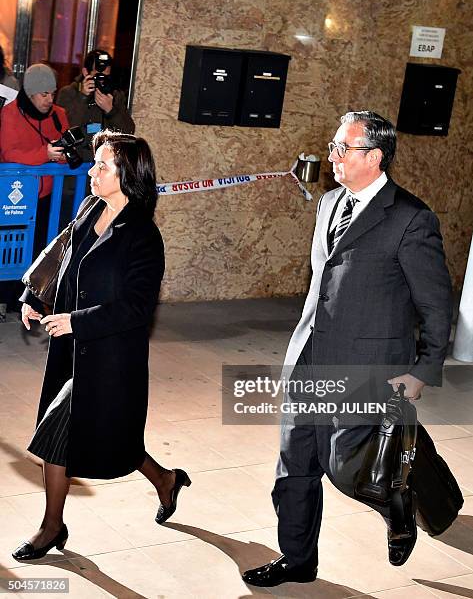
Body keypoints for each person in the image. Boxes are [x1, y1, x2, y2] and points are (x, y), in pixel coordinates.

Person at [242, 111, 453, 587]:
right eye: (334, 145)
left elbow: (435, 303)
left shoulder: (410, 218)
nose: (332, 155)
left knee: (344, 466)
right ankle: (298, 560)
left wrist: (423, 369)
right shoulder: (330, 202)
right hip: (311, 356)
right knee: (295, 464)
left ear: (374, 157)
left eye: (343, 147)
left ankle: (398, 502)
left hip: (369, 364)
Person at [12, 131, 190, 561]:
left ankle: (52, 527)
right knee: (107, 439)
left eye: (102, 166)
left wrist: (75, 321)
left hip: (110, 356)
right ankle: (164, 479)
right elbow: (61, 258)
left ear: (127, 175)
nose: (92, 172)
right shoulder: (90, 209)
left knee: (60, 435)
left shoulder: (143, 236)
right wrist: (36, 296)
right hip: (71, 351)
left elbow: (135, 307)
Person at [0, 64, 69, 311]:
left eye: (53, 93)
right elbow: (9, 153)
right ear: (30, 94)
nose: (50, 100)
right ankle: (7, 300)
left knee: (41, 249)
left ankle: (32, 302)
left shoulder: (59, 114)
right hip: (16, 197)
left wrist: (62, 156)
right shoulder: (9, 114)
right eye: (44, 94)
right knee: (12, 249)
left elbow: (66, 151)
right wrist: (45, 154)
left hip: (49, 195)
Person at [56, 49, 135, 163]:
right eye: (98, 77)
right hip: (76, 164)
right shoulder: (69, 93)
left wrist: (111, 111)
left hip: (103, 163)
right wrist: (82, 98)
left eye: (105, 77)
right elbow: (63, 129)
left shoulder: (114, 96)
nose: (101, 81)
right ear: (85, 72)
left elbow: (128, 132)